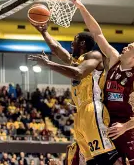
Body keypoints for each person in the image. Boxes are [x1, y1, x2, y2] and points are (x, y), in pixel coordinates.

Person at [66, 0, 134, 165]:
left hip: (125, 125)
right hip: (105, 121)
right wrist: (81, 7)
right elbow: (97, 34)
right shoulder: (114, 59)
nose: (124, 48)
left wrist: (125, 127)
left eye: (129, 47)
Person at [29, 24, 119, 164]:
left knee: (105, 156)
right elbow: (57, 49)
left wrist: (48, 64)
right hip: (80, 112)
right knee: (90, 159)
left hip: (92, 107)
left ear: (82, 43)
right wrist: (44, 32)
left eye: (74, 40)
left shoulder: (94, 55)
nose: (71, 43)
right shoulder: (76, 61)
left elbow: (78, 73)